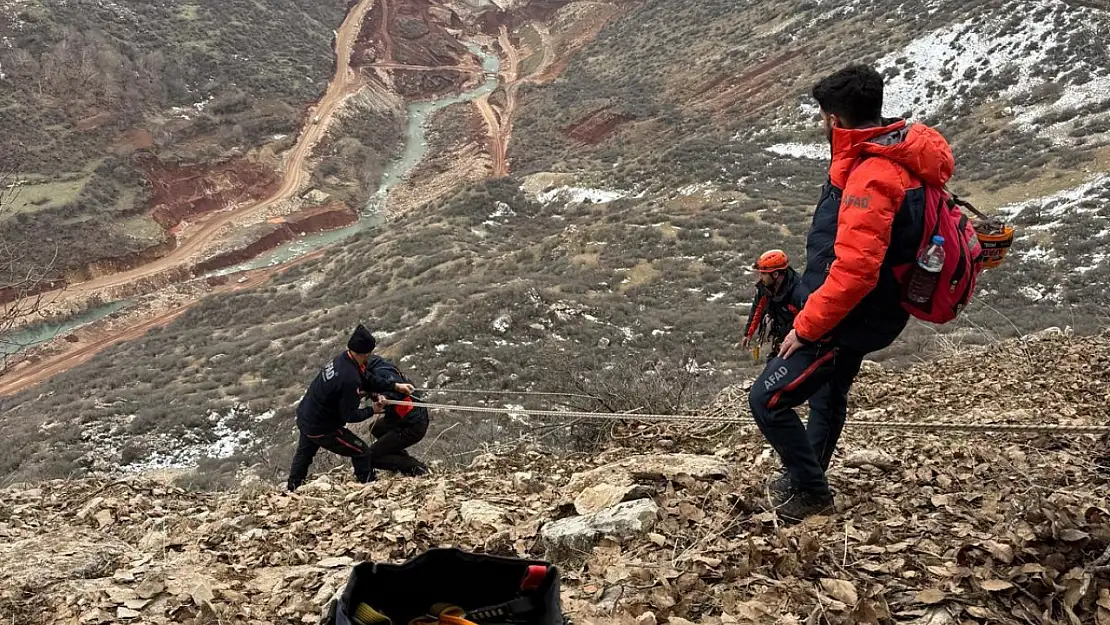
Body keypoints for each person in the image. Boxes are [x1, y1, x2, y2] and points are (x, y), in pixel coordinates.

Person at [748, 65, 955, 522]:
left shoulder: (873, 174)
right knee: (828, 394)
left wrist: (805, 327)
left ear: (833, 120)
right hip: (873, 309)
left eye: (823, 117)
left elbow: (856, 271)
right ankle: (809, 477)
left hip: (846, 315)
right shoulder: (893, 155)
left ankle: (810, 492)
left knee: (766, 400)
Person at [287, 325, 415, 491]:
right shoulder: (349, 379)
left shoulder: (344, 359)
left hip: (307, 415)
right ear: (366, 353)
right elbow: (349, 415)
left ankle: (292, 488)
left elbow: (367, 378)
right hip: (323, 427)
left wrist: (395, 386)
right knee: (362, 452)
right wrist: (373, 410)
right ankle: (369, 489)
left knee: (304, 454)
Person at [365, 355, 431, 476]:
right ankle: (400, 458)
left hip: (412, 425)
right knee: (376, 428)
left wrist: (386, 397)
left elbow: (398, 390)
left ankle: (416, 468)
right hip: (403, 418)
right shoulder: (378, 366)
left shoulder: (381, 373)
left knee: (371, 456)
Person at [741, 250, 804, 361]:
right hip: (781, 341)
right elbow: (757, 308)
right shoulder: (765, 289)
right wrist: (748, 333)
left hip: (799, 345)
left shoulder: (799, 292)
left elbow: (809, 321)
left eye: (763, 273)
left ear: (775, 274)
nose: (761, 277)